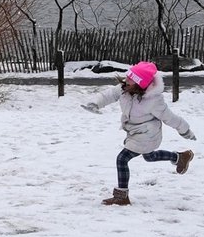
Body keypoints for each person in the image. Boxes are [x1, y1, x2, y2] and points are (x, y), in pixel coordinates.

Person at [82, 60, 197, 206]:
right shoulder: (124, 88)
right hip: (134, 131)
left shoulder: (154, 100)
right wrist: (94, 103)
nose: (127, 79)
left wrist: (185, 130)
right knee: (149, 156)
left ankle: (122, 196)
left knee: (122, 159)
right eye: (128, 75)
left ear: (140, 84)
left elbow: (170, 117)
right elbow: (108, 95)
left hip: (148, 134)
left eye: (131, 78)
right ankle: (180, 157)